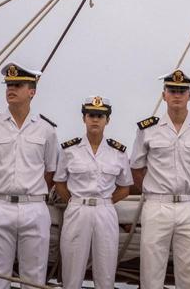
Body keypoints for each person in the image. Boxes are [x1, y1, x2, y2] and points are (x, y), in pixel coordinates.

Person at [130, 69, 190, 289]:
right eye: (172, 90)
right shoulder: (148, 129)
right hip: (156, 204)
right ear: (164, 95)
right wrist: (153, 191)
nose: (177, 95)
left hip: (189, 205)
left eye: (182, 90)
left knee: (189, 270)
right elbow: (137, 168)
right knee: (151, 269)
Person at [0, 63, 59, 289]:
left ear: (32, 91)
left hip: (34, 206)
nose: (11, 89)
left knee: (33, 279)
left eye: (18, 85)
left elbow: (51, 171)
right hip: (0, 205)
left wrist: (31, 192)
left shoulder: (46, 129)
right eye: (9, 85)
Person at [54, 96, 132, 289]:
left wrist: (105, 202)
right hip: (77, 209)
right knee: (72, 273)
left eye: (100, 115)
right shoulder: (69, 149)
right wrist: (73, 201)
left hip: (105, 211)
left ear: (108, 120)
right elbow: (59, 183)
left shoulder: (118, 151)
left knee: (105, 274)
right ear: (84, 118)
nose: (95, 119)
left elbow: (125, 188)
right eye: (91, 115)